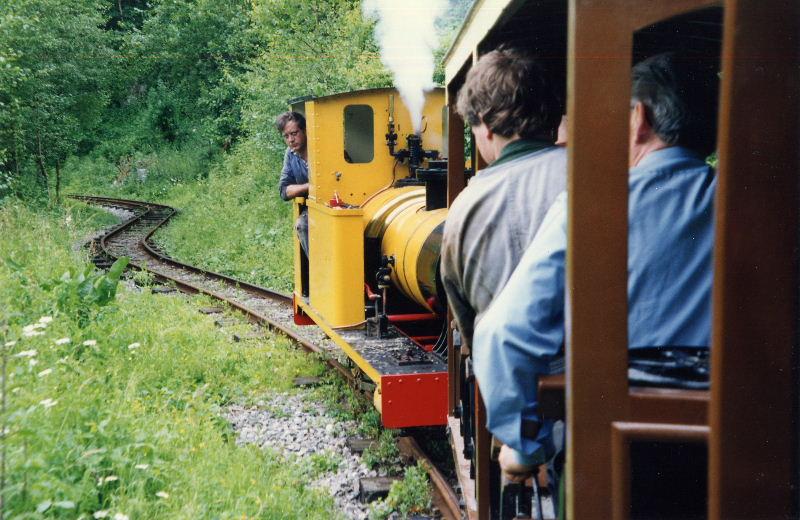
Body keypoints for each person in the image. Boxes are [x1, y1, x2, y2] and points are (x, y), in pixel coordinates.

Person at [472, 52, 719, 482]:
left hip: (621, 463)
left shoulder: (592, 204)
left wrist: (525, 446)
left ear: (638, 118)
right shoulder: (764, 203)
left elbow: (504, 333)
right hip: (748, 457)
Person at [440, 48, 566, 353]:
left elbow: (470, 329)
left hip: (516, 391)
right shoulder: (608, 173)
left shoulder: (463, 210)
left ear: (486, 124)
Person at [276, 111, 310, 256]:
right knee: (302, 225)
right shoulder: (290, 154)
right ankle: (317, 272)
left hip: (335, 203)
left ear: (305, 130)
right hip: (312, 207)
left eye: (294, 133)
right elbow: (284, 190)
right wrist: (309, 186)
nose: (291, 140)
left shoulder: (322, 148)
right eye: (286, 136)